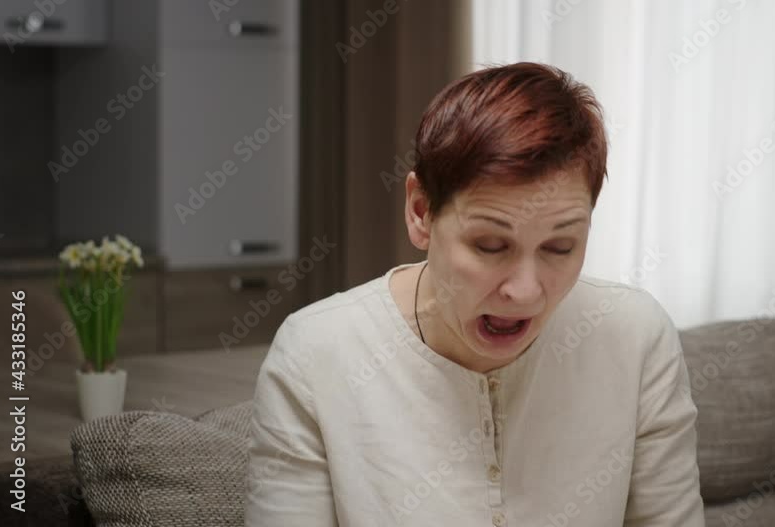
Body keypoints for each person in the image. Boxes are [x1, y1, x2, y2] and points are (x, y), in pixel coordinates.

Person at [245, 62, 705, 526]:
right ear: (421, 211)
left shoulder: (635, 337)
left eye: (560, 247)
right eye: (490, 245)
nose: (524, 292)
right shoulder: (316, 355)